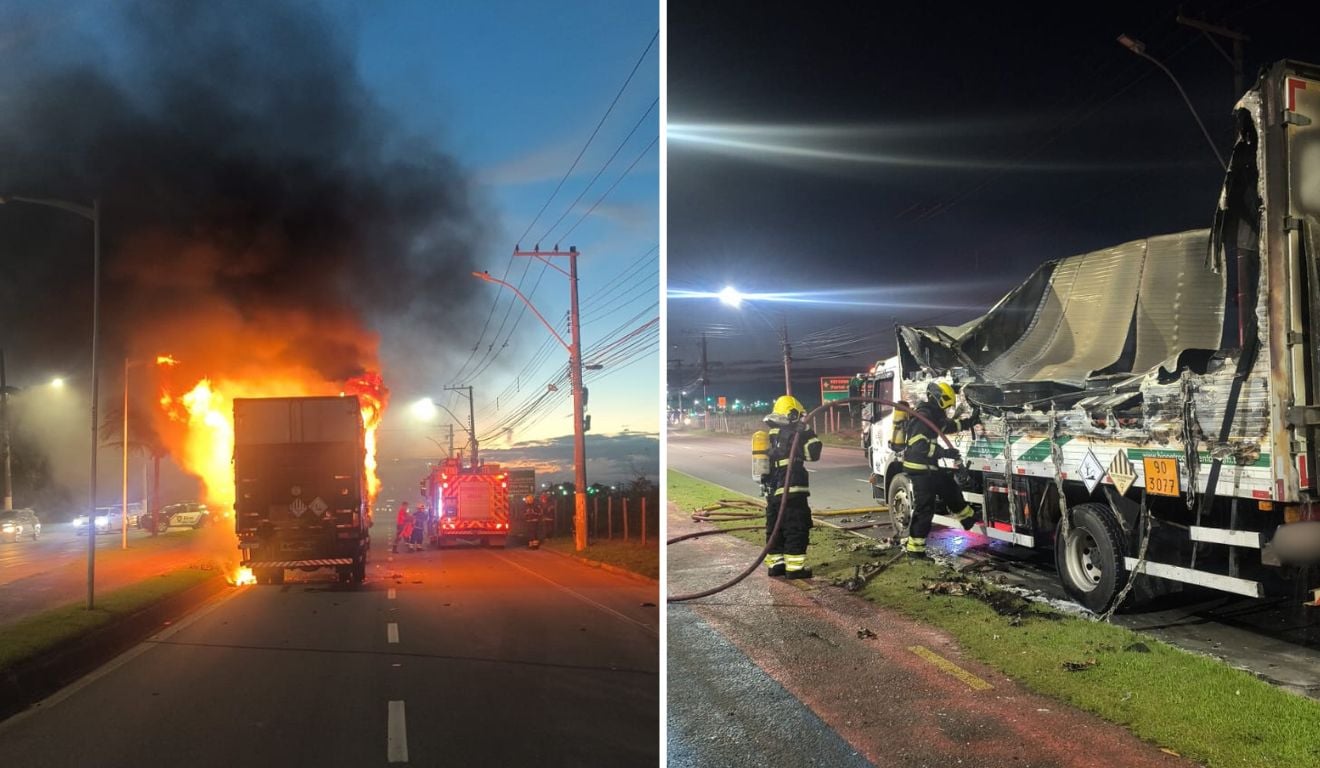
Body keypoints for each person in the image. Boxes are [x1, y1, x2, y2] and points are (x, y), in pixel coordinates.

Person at [902, 381, 980, 559]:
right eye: (947, 405)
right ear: (940, 399)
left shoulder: (932, 415)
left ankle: (967, 518)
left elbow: (948, 427)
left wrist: (970, 422)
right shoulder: (923, 416)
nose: (947, 410)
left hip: (928, 467)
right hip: (920, 469)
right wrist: (944, 452)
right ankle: (915, 550)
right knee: (925, 508)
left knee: (948, 486)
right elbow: (918, 446)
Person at [762, 395, 822, 579]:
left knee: (775, 528)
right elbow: (813, 454)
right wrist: (808, 432)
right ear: (793, 413)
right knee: (796, 526)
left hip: (772, 491)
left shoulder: (772, 434)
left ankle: (776, 565)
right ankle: (795, 569)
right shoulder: (796, 434)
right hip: (792, 488)